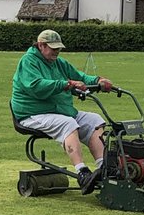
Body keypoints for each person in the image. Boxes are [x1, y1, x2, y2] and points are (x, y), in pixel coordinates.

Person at [11, 28, 114, 191]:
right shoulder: (28, 62)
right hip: (32, 114)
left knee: (94, 120)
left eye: (58, 48)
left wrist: (98, 81)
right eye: (53, 48)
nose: (57, 51)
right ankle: (82, 172)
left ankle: (105, 169)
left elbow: (80, 77)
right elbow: (36, 86)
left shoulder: (59, 63)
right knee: (68, 124)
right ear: (41, 45)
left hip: (60, 110)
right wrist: (66, 84)